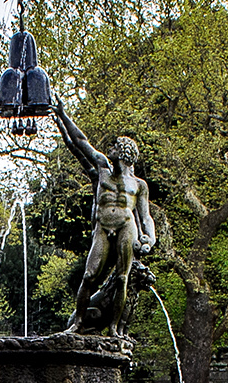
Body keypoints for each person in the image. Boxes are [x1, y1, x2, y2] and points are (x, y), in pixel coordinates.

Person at [53, 100, 156, 337]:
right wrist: (62, 115)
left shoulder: (139, 185)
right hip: (103, 226)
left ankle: (114, 329)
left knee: (122, 279)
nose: (109, 149)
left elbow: (145, 215)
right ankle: (77, 322)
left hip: (125, 227)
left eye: (114, 146)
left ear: (123, 151)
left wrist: (149, 238)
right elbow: (80, 142)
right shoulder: (102, 169)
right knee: (89, 275)